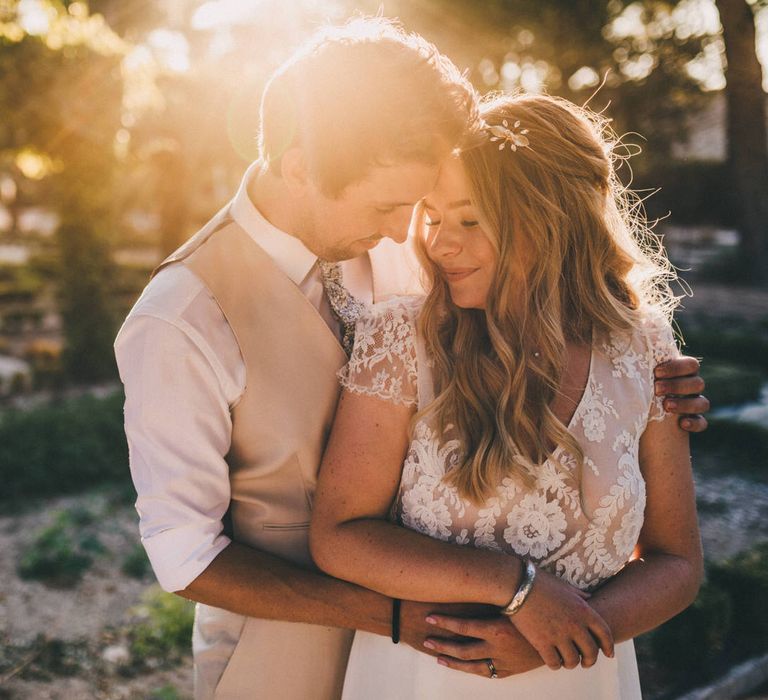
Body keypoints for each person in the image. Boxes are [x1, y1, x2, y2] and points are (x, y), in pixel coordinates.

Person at [115, 17, 708, 700]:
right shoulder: (180, 318)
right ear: (302, 164)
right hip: (289, 652)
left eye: (419, 208)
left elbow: (535, 286)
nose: (409, 235)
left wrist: (645, 392)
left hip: (472, 650)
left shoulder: (412, 240)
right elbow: (187, 558)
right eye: (394, 205)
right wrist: (430, 617)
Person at [309, 93, 704, 699]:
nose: (439, 245)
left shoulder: (642, 347)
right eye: (433, 218)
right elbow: (339, 534)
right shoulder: (403, 338)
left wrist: (567, 635)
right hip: (428, 681)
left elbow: (677, 564)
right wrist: (518, 589)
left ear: (550, 217)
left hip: (582, 677)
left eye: (469, 220)